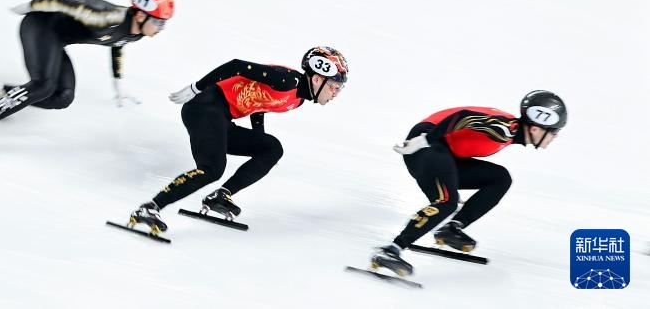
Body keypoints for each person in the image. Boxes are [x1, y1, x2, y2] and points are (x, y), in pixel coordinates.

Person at [125, 46, 348, 236]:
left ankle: (220, 196)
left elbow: (260, 103)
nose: (336, 93)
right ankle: (150, 208)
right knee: (212, 169)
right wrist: (197, 87)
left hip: (222, 117)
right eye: (334, 86)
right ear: (317, 78)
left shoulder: (297, 99)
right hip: (204, 106)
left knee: (271, 148)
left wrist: (258, 139)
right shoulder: (288, 80)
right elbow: (237, 65)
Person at [370, 90, 568, 277]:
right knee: (447, 202)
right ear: (535, 128)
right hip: (428, 144)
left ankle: (451, 229)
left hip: (442, 151)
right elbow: (464, 117)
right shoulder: (505, 129)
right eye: (554, 131)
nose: (556, 137)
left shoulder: (510, 130)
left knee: (500, 178)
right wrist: (425, 140)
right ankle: (390, 250)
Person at [0, 0, 174, 148]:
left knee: (63, 97)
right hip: (39, 26)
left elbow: (118, 44)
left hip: (56, 39)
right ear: (140, 14)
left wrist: (119, 86)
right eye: (159, 22)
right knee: (43, 85)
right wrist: (26, 7)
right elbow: (59, 2)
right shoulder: (106, 16)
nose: (161, 28)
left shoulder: (137, 33)